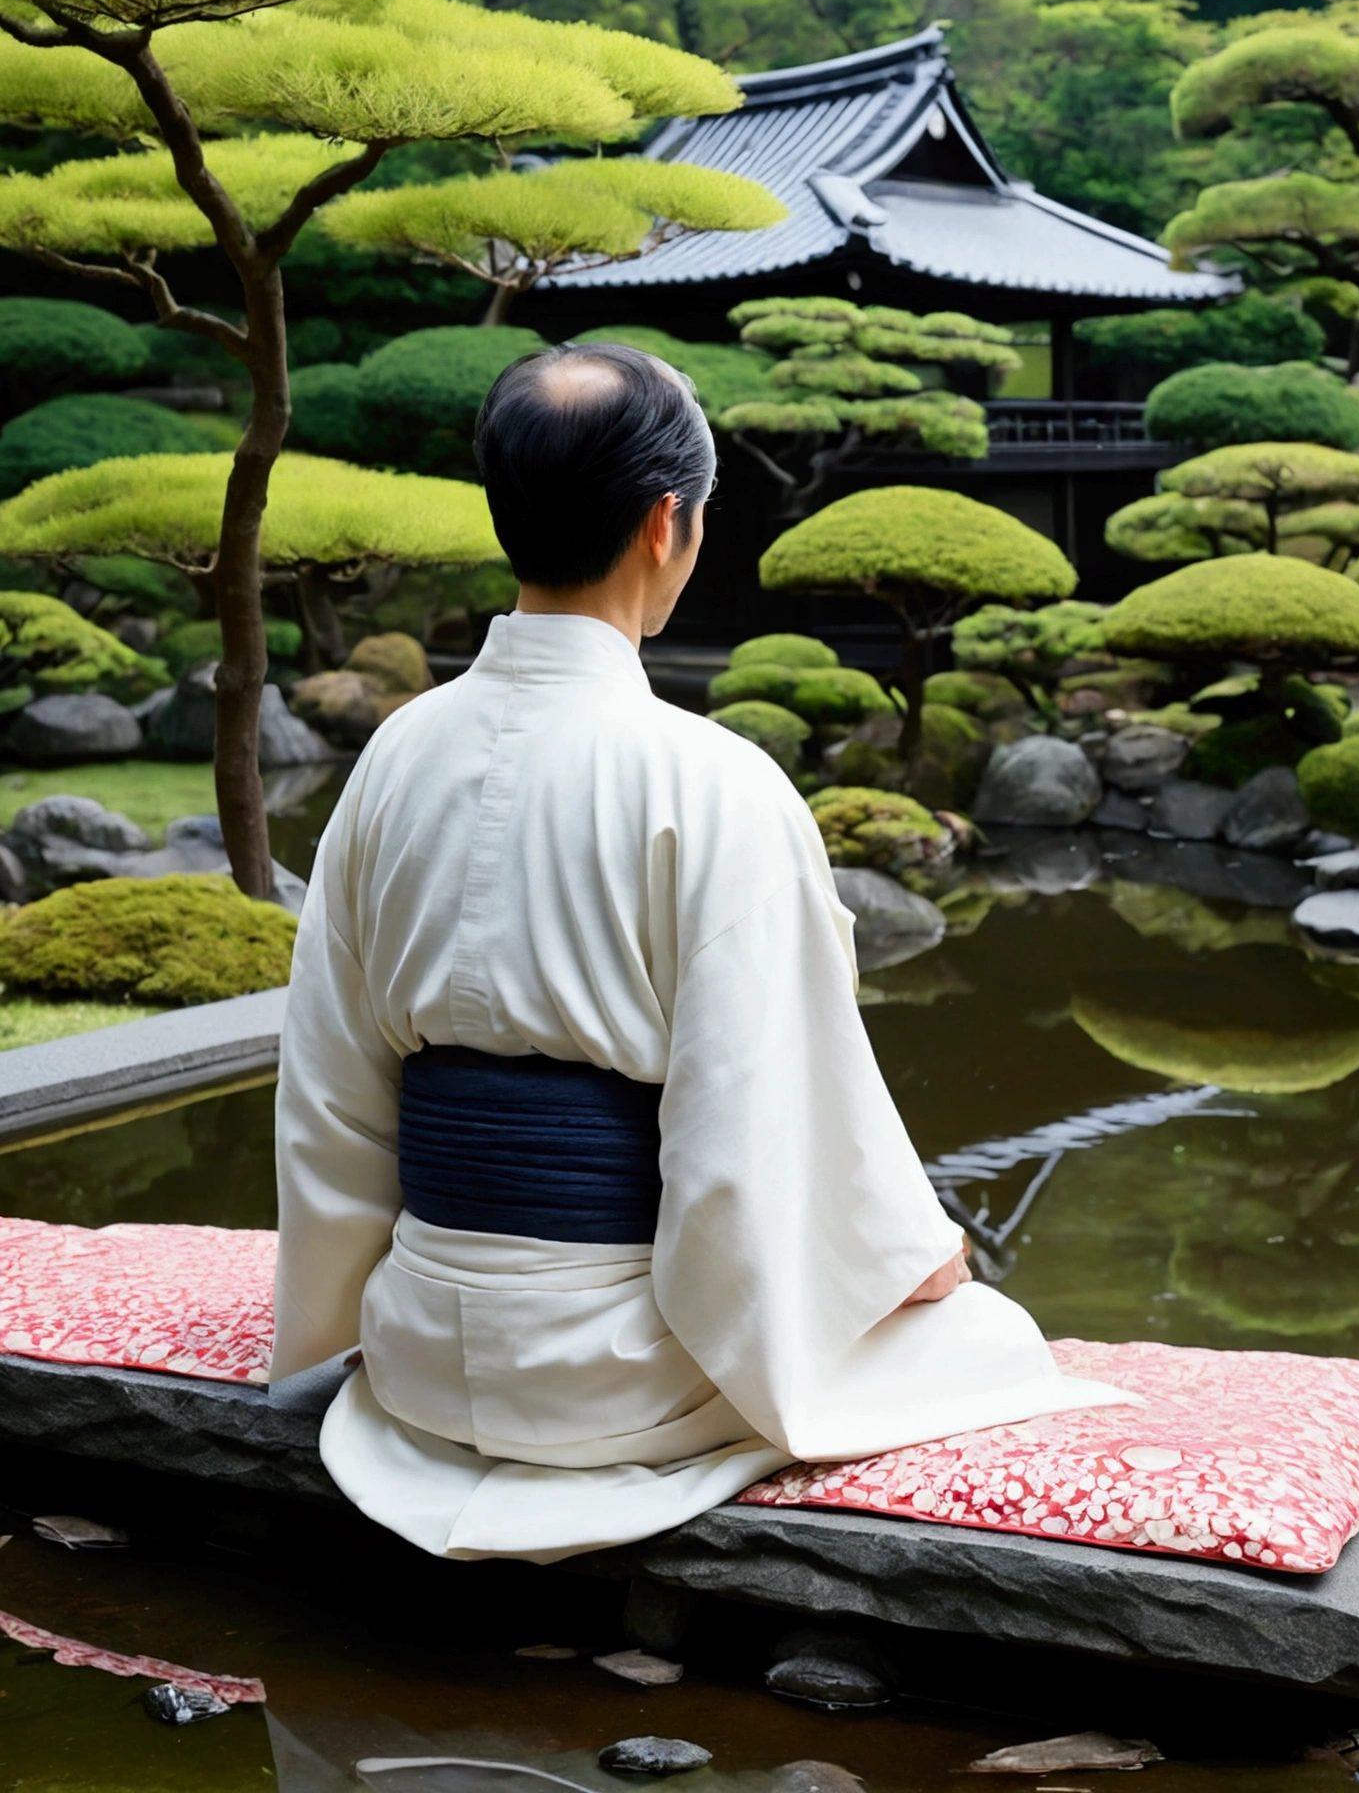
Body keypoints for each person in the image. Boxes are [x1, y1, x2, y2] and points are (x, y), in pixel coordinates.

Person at [270, 342, 1125, 1564]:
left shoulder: (392, 756)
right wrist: (906, 1259)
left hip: (412, 1342)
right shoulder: (714, 780)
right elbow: (755, 1129)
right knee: (980, 1333)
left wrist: (358, 1307)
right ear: (668, 523)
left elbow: (333, 1093)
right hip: (613, 1379)